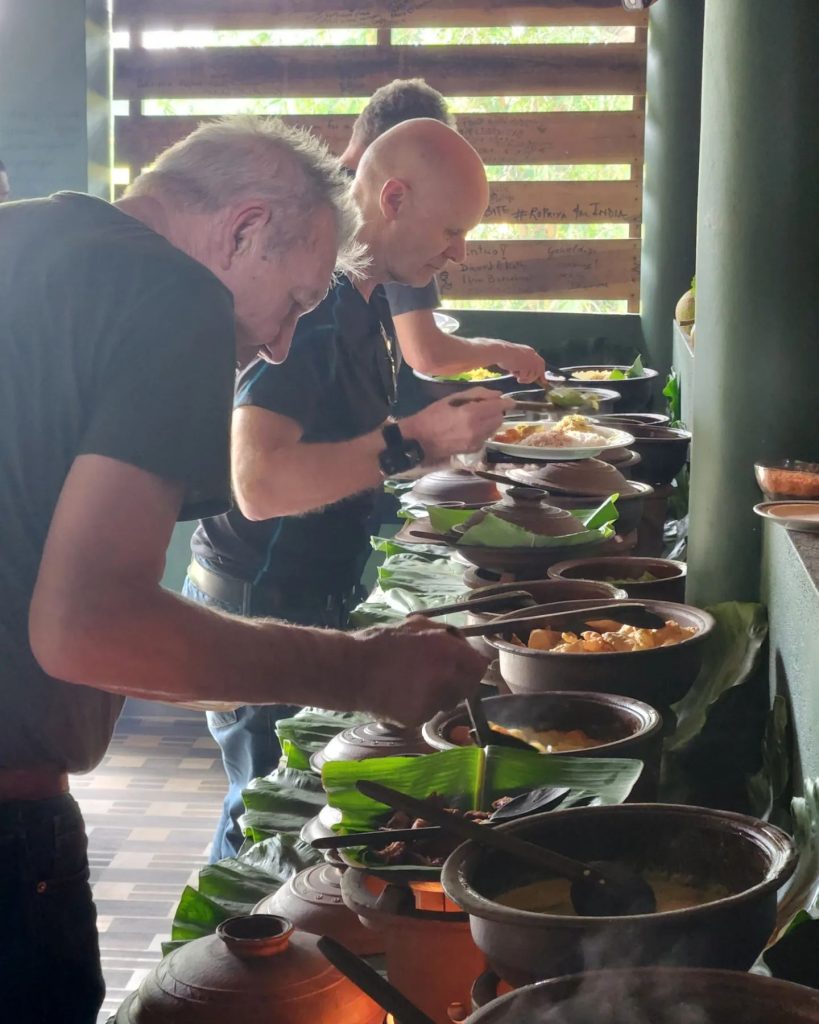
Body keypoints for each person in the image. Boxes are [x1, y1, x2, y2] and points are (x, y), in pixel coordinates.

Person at [0, 117, 488, 1024]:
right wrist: (365, 670)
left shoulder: (22, 233)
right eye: (298, 302)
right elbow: (89, 627)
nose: (275, 347)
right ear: (242, 228)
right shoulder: (172, 291)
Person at [188, 118, 513, 861]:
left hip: (309, 592)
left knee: (276, 809)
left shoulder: (367, 300)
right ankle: (212, 970)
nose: (457, 254)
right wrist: (418, 439)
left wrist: (439, 458)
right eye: (451, 230)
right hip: (258, 598)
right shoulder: (315, 304)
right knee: (264, 823)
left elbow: (346, 449)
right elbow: (258, 482)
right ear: (392, 197)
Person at [339, 79, 547, 385]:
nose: (458, 254)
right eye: (450, 231)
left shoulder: (329, 209)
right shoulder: (377, 237)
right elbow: (426, 353)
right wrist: (504, 352)